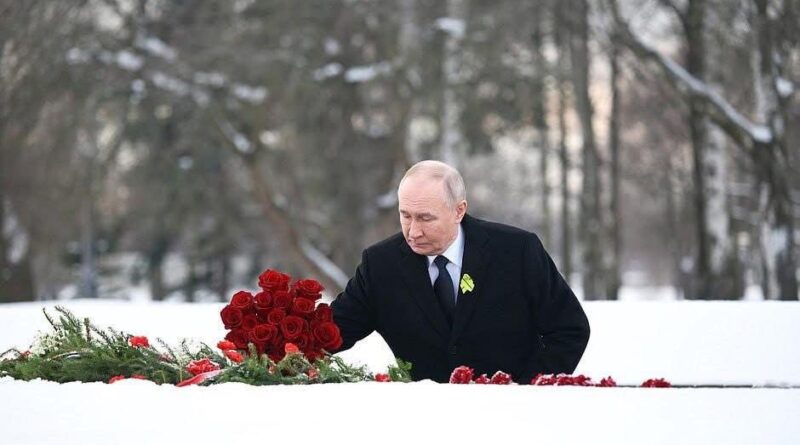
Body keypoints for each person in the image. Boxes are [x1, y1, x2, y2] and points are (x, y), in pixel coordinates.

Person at [331, 160, 589, 383]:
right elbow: (333, 331)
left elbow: (569, 329)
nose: (413, 231)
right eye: (405, 215)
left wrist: (525, 389)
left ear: (459, 210)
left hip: (513, 416)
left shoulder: (517, 252)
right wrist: (292, 328)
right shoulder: (380, 265)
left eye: (425, 218)